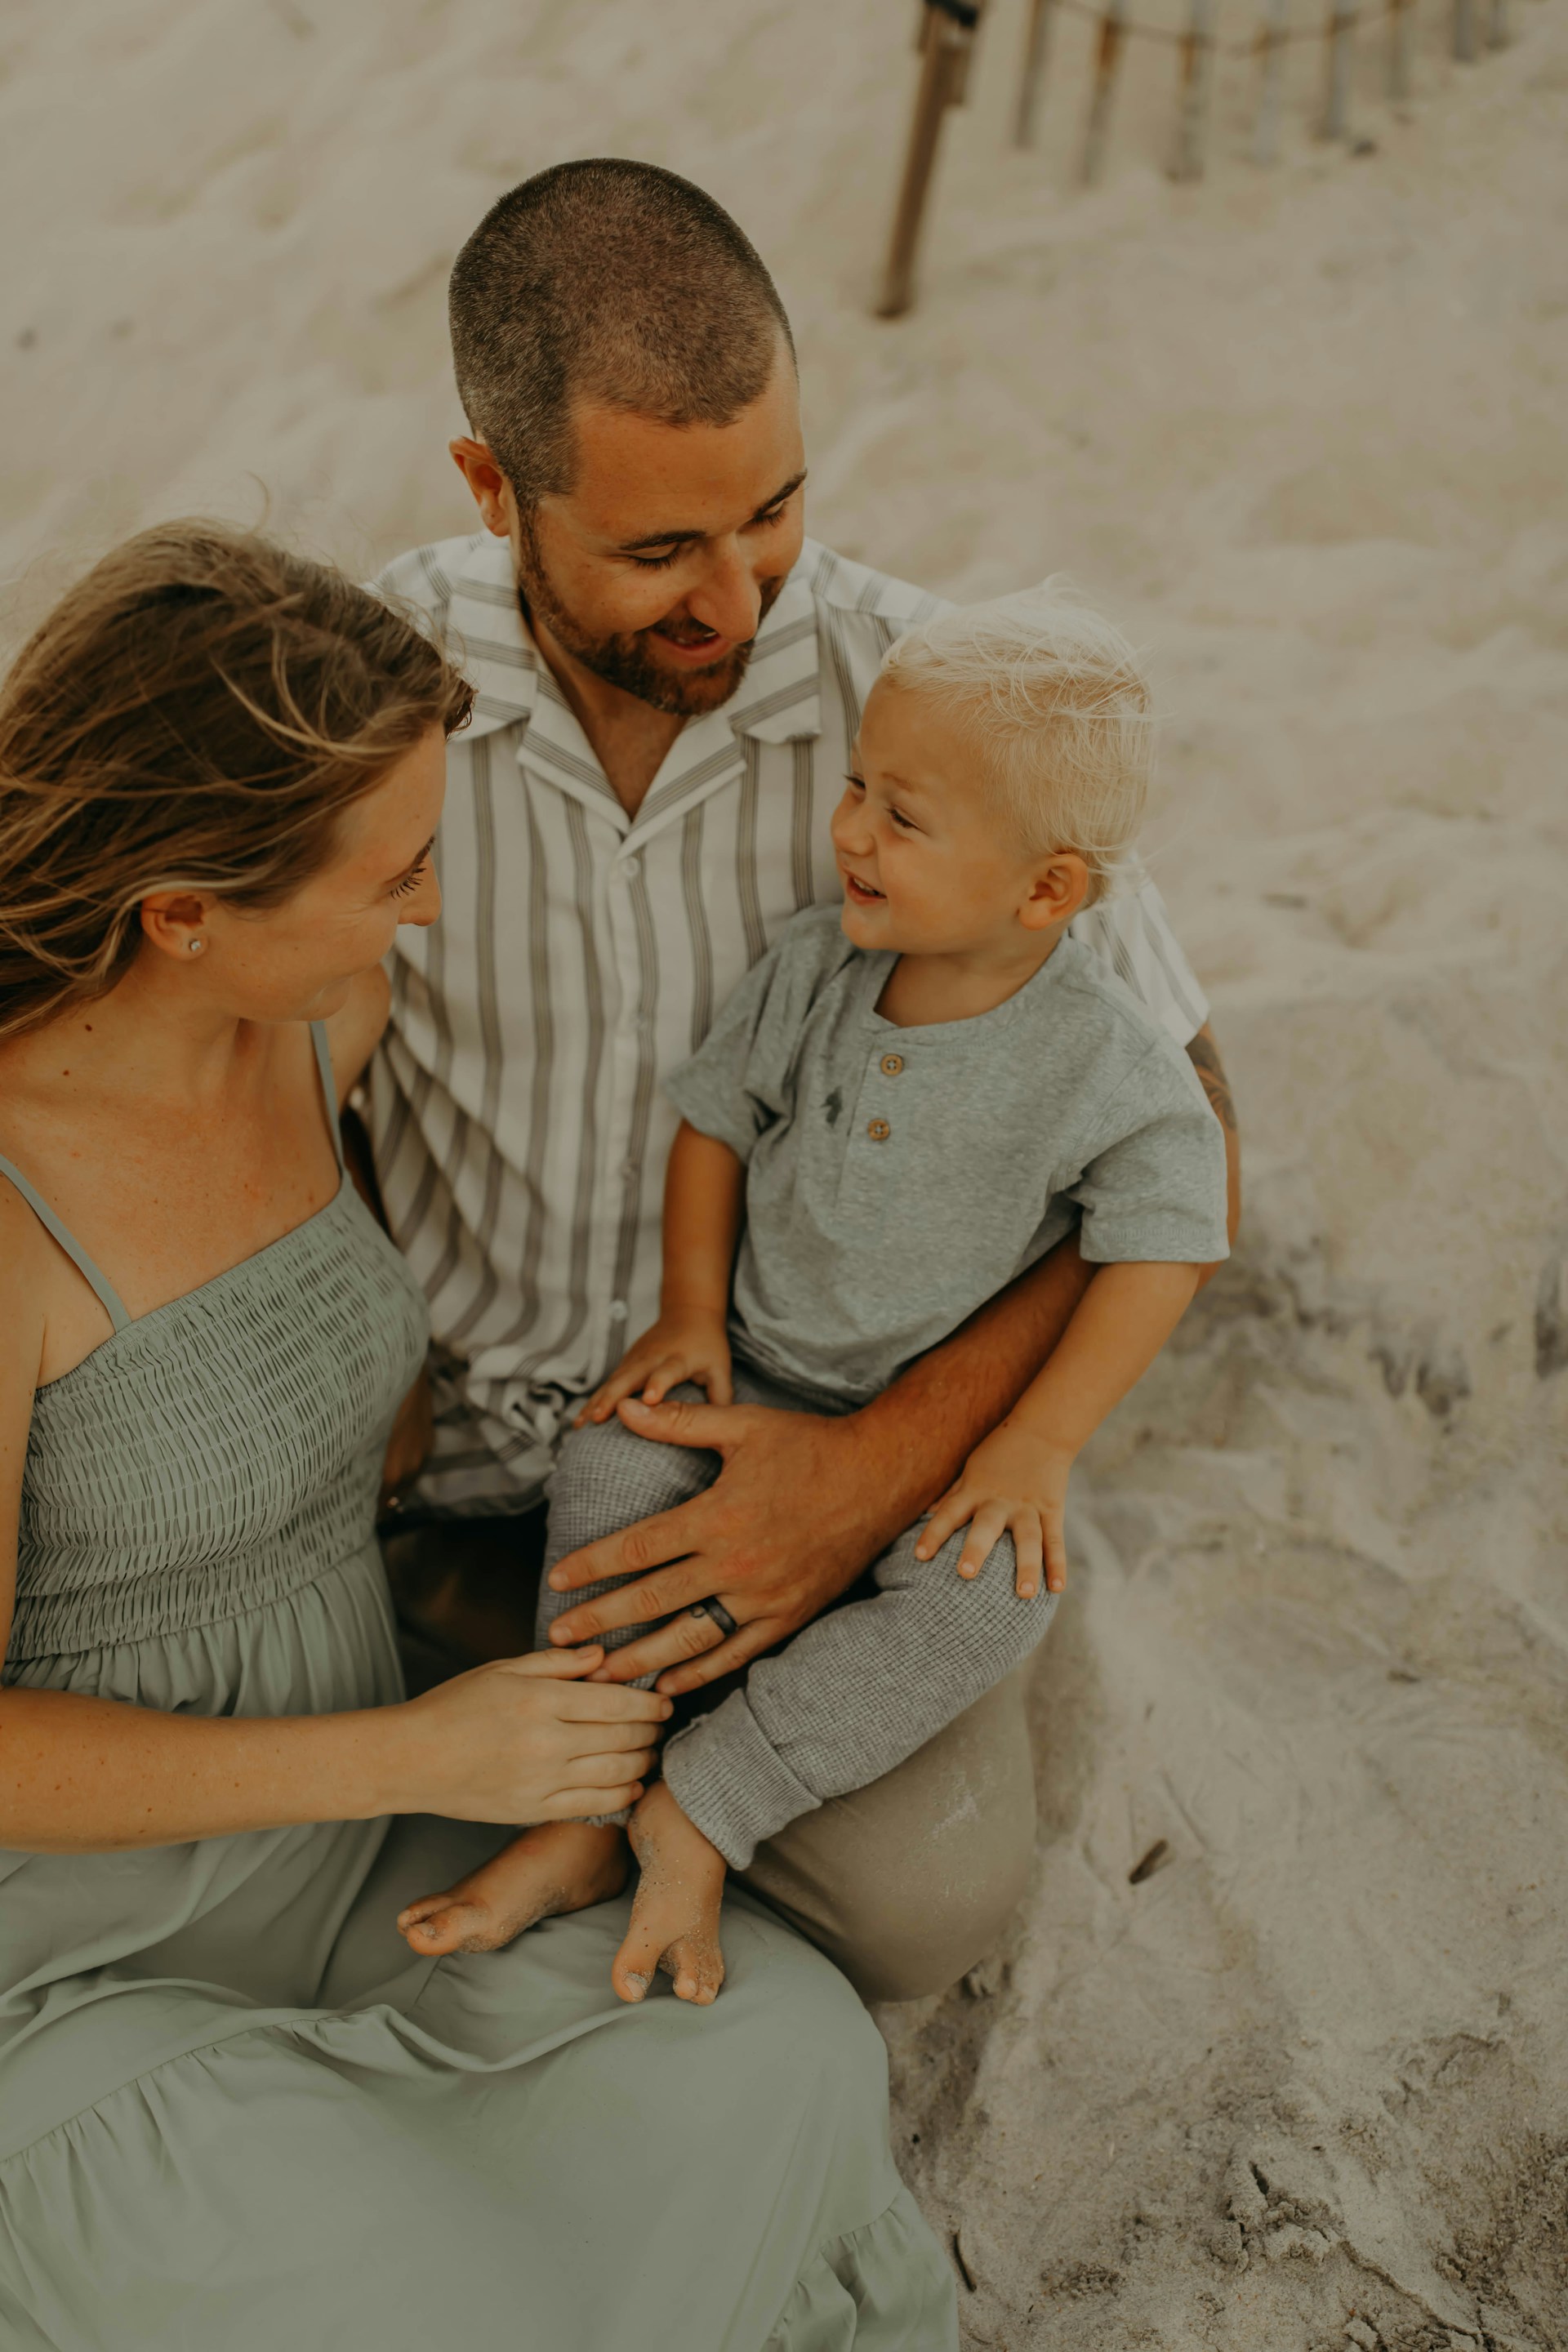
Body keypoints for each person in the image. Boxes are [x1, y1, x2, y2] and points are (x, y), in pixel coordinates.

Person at [0, 522, 957, 2349]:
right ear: (182, 914)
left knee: (768, 2051)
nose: (428, 909)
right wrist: (414, 1748)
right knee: (421, 2300)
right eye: (395, 873)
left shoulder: (317, 1026)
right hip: (68, 1958)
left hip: (360, 1846)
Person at [371, 156, 1242, 2002]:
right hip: (454, 1473)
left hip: (834, 1440)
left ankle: (675, 1785)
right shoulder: (375, 701)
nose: (734, 593)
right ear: (488, 486)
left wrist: (875, 1470)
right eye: (656, 550)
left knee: (922, 1913)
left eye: (770, 513)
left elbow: (1185, 1132)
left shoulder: (936, 702)